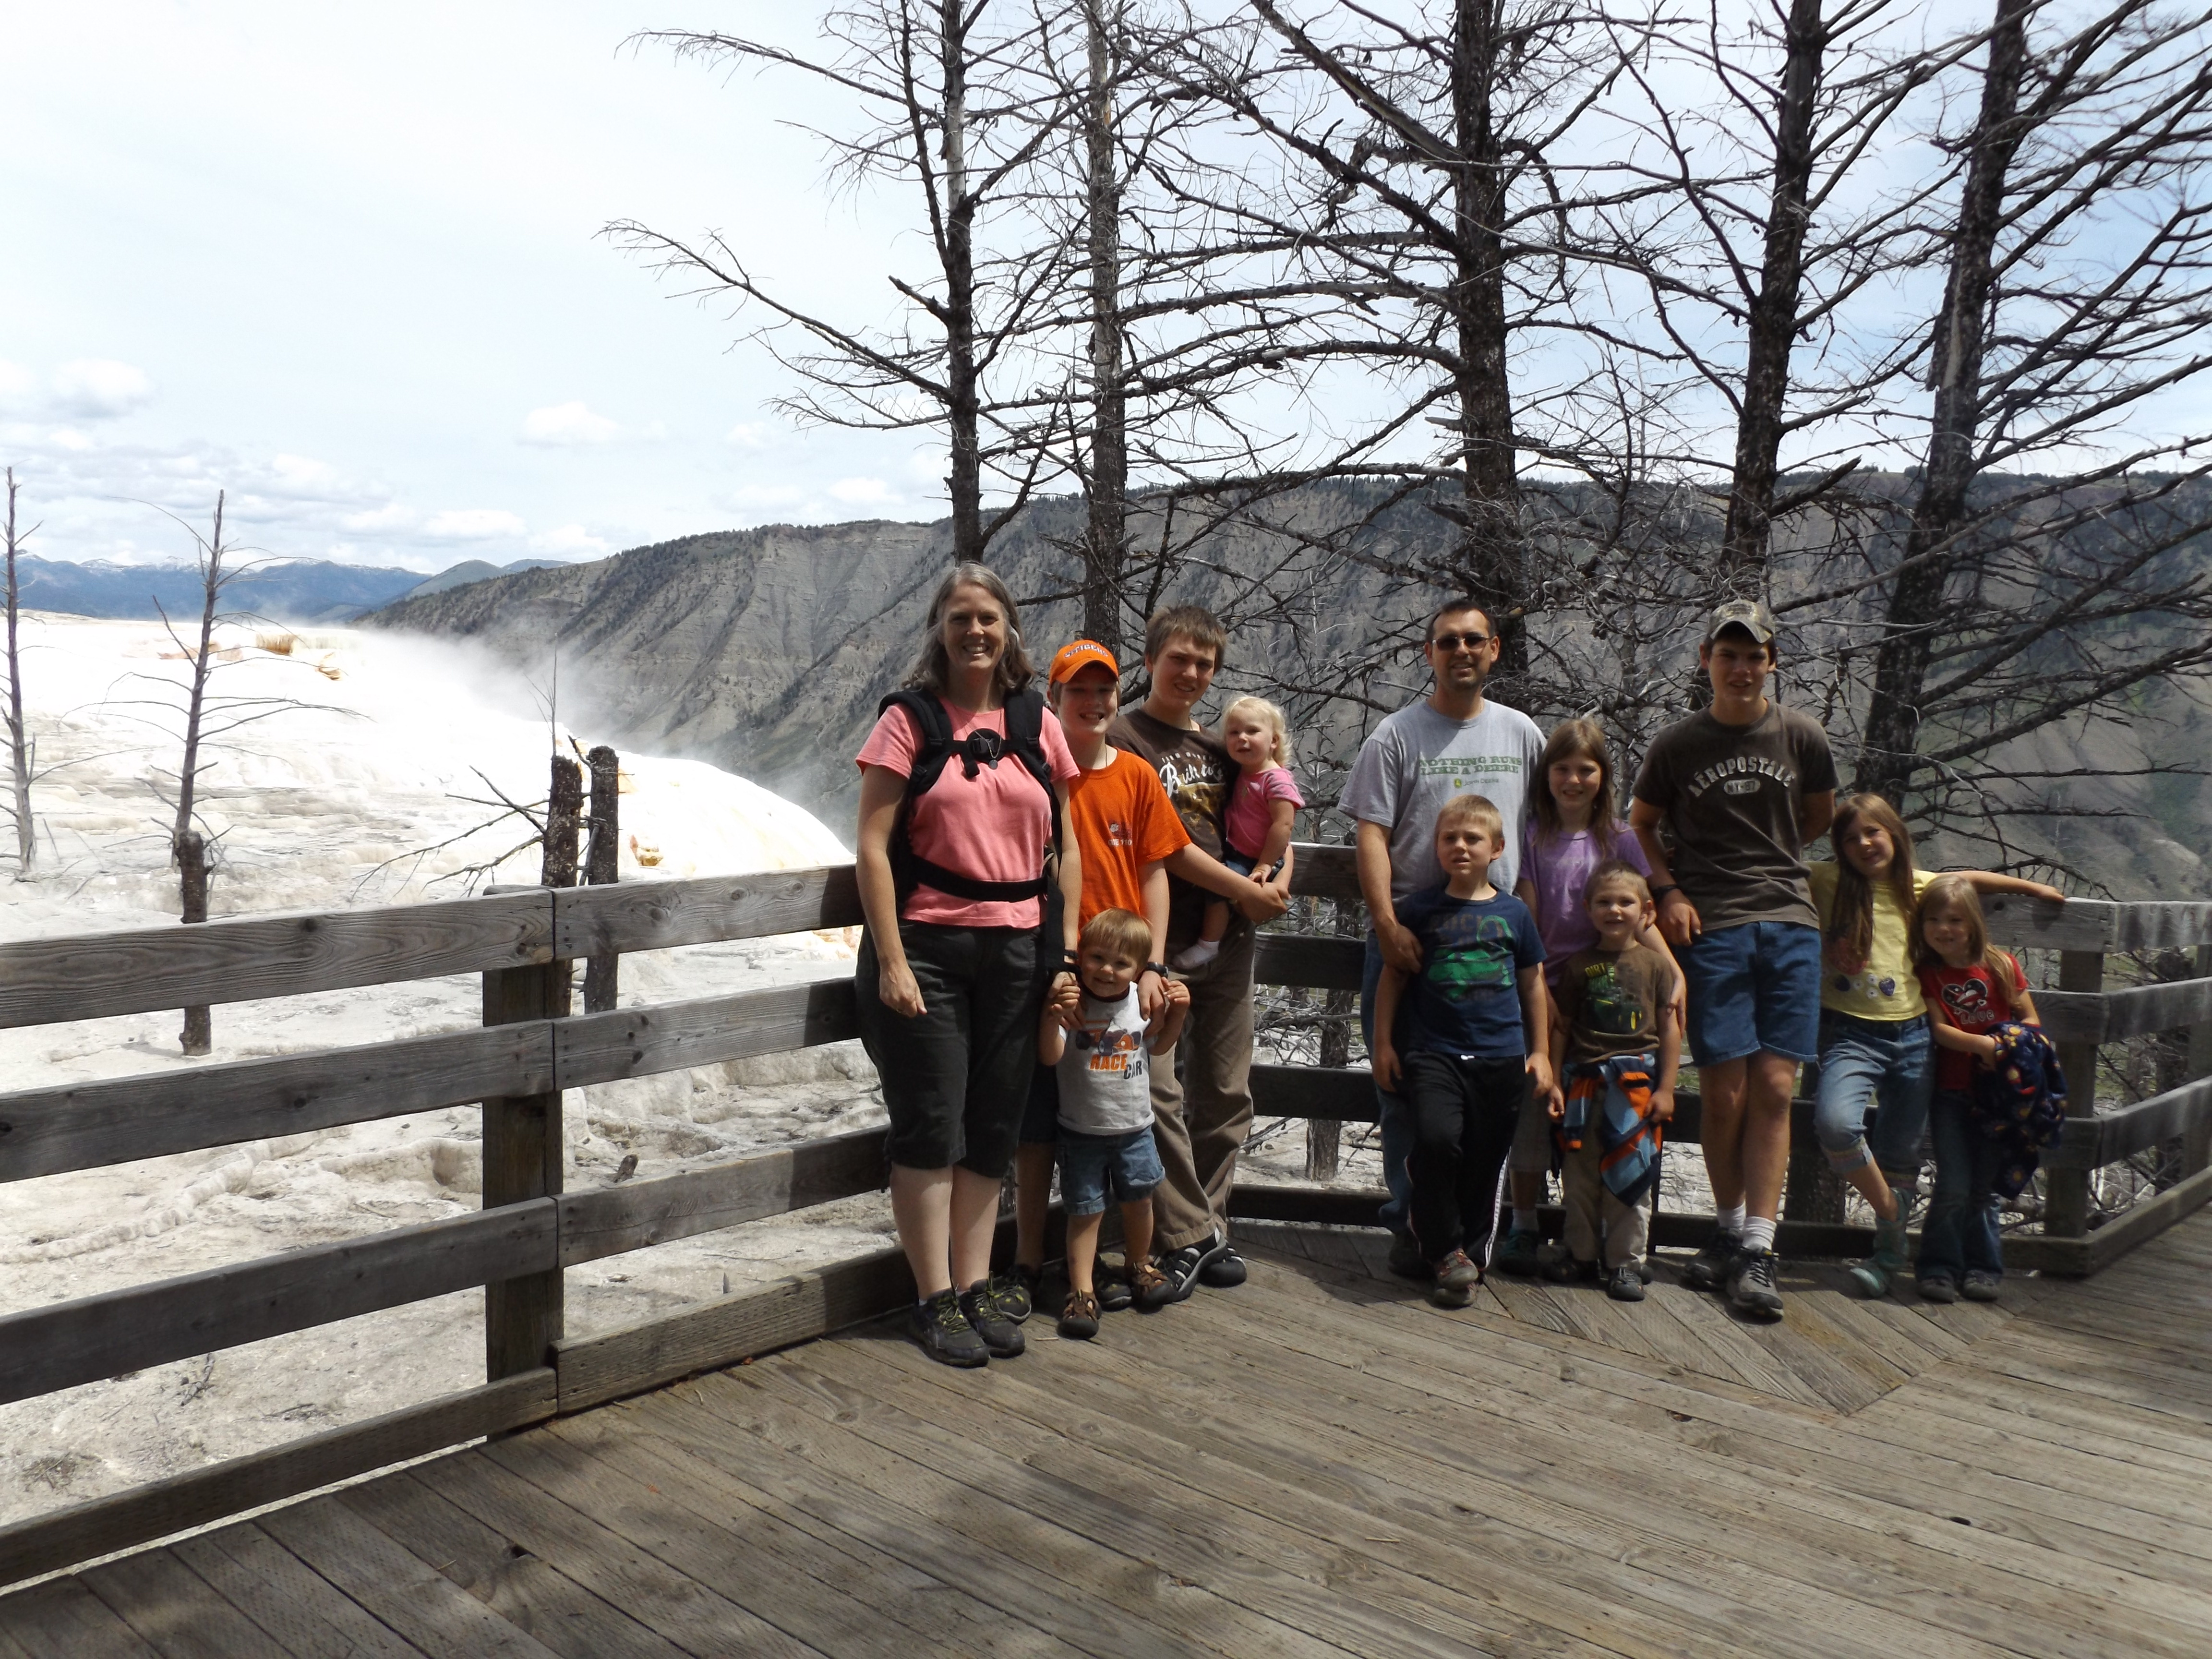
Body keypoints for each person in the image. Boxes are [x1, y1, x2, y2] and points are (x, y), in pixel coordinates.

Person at [853, 564, 1083, 1368]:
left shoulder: (1035, 720)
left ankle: (975, 1284)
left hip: (1019, 949)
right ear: (940, 629)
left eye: (987, 617)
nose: (975, 631)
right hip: (929, 949)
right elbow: (872, 847)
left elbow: (1068, 845)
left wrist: (1066, 951)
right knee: (930, 1123)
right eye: (960, 618)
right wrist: (891, 960)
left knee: (991, 1124)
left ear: (1008, 627)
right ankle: (934, 1298)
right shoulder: (908, 720)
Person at [1630, 598, 1835, 1321]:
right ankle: (1725, 1230)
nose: (1741, 669)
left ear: (1771, 663)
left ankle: (1759, 1246)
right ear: (1706, 660)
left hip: (1789, 921)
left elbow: (1818, 816)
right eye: (1728, 655)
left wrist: (1770, 864)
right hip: (1713, 927)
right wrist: (1669, 890)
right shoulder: (1678, 744)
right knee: (1723, 1094)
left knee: (1776, 1088)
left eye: (1754, 656)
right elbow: (1641, 825)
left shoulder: (1802, 735)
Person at [1346, 600, 1545, 1280]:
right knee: (1404, 1091)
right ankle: (1414, 1228)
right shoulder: (1396, 736)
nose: (1461, 651)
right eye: (1447, 641)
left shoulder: (1521, 734)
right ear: (1429, 653)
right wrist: (1387, 925)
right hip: (1412, 939)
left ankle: (1460, 1235)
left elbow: (1538, 835)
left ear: (1494, 649)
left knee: (1489, 1103)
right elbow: (1370, 833)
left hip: (1494, 943)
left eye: (1473, 640)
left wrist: (1533, 924)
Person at [1807, 794, 2065, 1297]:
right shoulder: (1827, 880)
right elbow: (1773, 868)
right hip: (1849, 1034)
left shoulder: (1918, 886)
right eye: (1851, 837)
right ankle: (1891, 1213)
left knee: (1900, 1152)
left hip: (1914, 1038)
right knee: (1836, 1125)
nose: (1864, 844)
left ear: (1896, 834)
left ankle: (1887, 1259)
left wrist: (2032, 887)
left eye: (1874, 832)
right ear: (1838, 847)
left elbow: (1970, 881)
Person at [1111, 606, 1291, 1298]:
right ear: (1150, 659)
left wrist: (1276, 879)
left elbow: (1274, 820)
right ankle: (1190, 1232)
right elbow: (1164, 845)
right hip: (1154, 941)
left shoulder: (1223, 748)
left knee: (1224, 1090)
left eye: (1204, 664)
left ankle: (1207, 1228)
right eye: (1178, 659)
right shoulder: (1125, 739)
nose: (1190, 673)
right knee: (1153, 1088)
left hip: (1230, 939)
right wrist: (1244, 890)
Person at [1503, 717, 1682, 1279]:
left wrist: (1674, 971)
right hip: (1547, 987)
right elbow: (1528, 913)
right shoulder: (1533, 836)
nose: (1573, 780)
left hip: (1609, 992)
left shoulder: (1620, 839)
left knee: (1610, 1116)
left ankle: (1612, 1242)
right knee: (1536, 1103)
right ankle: (1524, 1223)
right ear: (1547, 775)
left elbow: (1641, 913)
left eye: (1586, 770)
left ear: (1603, 776)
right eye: (1562, 769)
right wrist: (1539, 989)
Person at [1370, 793, 1552, 1307]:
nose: (1461, 846)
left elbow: (1533, 984)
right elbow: (1393, 978)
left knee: (1484, 1161)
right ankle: (1444, 1249)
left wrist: (1540, 1052)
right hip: (1434, 1053)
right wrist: (1383, 1045)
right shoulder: (1419, 910)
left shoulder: (1514, 913)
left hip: (1501, 1057)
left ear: (1497, 849)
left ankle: (1467, 1262)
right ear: (1437, 847)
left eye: (1473, 838)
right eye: (1449, 838)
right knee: (1436, 1141)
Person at [1037, 909, 1190, 1338]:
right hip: (1081, 1131)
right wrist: (1051, 1014)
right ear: (1081, 955)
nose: (1107, 970)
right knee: (1085, 1213)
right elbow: (1049, 1055)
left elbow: (1158, 1047)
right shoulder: (1072, 1002)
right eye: (1098, 958)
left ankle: (1139, 1264)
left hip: (1135, 1129)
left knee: (1140, 1203)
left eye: (1121, 963)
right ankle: (1082, 1291)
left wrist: (1178, 1014)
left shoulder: (1139, 1002)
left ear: (1139, 969)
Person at [1545, 861, 1680, 1303]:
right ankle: (1581, 1253)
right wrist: (1556, 1081)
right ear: (1588, 909)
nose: (1615, 910)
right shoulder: (1579, 965)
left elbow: (1670, 1028)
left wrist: (1666, 1088)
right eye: (1604, 902)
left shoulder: (1657, 966)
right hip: (1584, 1084)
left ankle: (1626, 1262)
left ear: (1647, 911)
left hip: (1636, 1085)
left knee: (1632, 1173)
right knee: (1579, 1176)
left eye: (1625, 902)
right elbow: (1562, 1027)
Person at [1913, 876, 2046, 1304]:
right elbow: (1940, 1030)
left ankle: (1984, 1268)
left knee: (1984, 1188)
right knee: (1953, 1184)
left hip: (1999, 1098)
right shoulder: (1928, 974)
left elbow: (2032, 1021)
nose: (1944, 929)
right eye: (1933, 920)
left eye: (1955, 920)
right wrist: (1987, 1047)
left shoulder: (2001, 966)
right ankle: (1938, 1267)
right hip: (1951, 1094)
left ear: (1973, 923)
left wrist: (2007, 1047)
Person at [1182, 695, 1301, 971]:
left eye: (1252, 731)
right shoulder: (1246, 772)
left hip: (1256, 859)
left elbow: (1283, 826)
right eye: (1234, 733)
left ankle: (1208, 945)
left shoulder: (1276, 780)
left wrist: (1265, 865)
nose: (1242, 739)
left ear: (1274, 741)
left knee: (1218, 888)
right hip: (1238, 849)